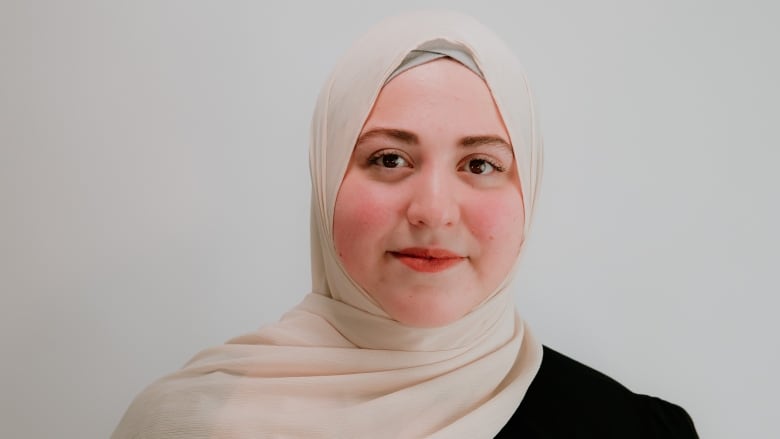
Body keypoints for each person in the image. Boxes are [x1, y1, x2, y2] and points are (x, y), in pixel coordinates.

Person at [112, 10, 698, 438]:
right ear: (326, 180)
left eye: (480, 164)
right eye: (389, 159)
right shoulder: (184, 426)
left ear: (530, 190)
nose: (433, 210)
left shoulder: (635, 434)